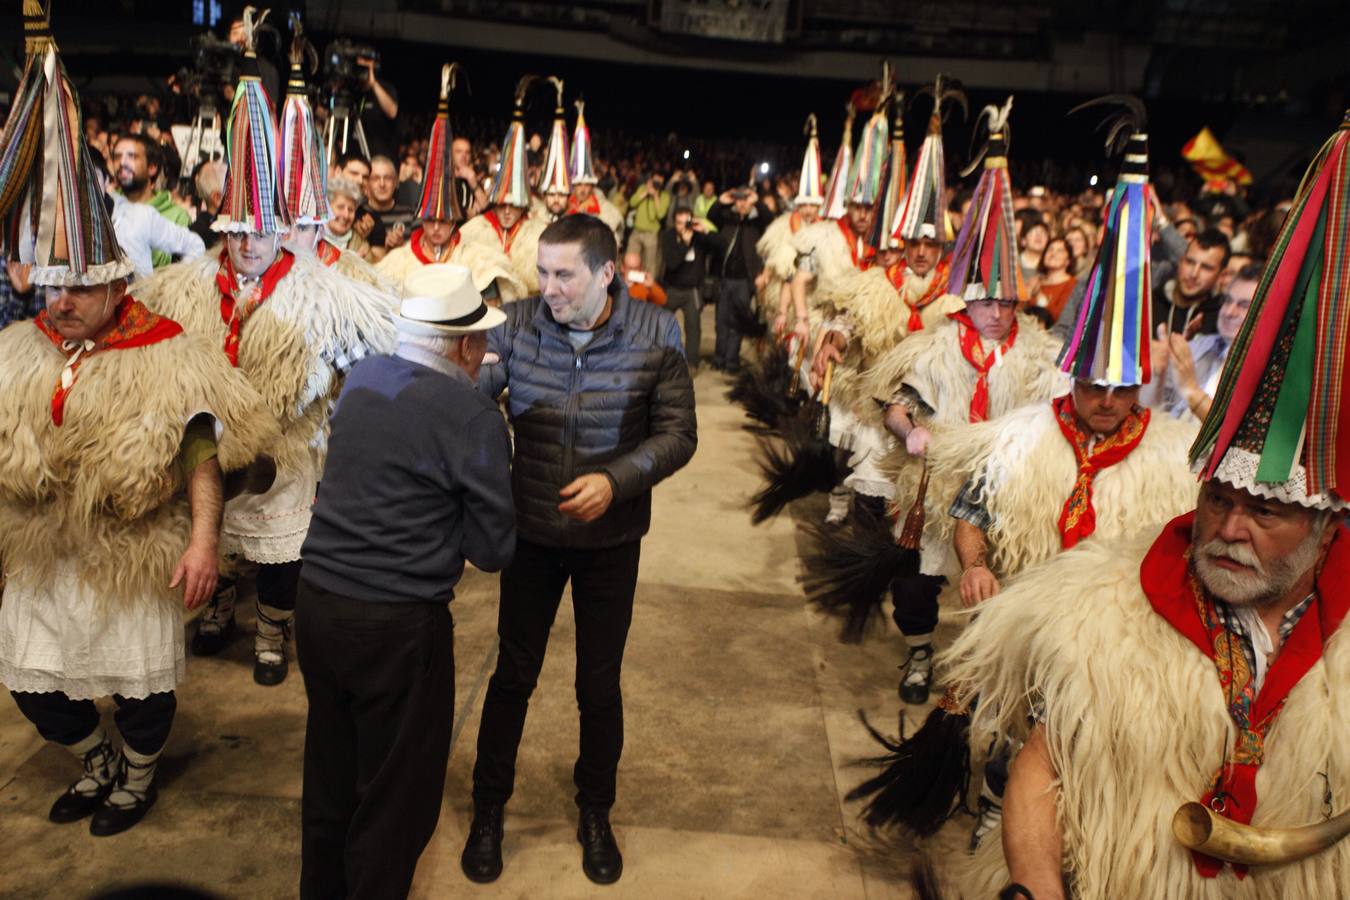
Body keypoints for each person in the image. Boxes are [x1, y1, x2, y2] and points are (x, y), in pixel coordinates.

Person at [941, 118, 1350, 900]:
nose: (1229, 528)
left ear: (1326, 523)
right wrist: (976, 565)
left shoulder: (1165, 450)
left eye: (1264, 514)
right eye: (1219, 501)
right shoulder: (1106, 599)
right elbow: (1047, 763)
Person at [0, 17, 274, 837]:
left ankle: (139, 771)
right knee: (34, 687)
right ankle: (98, 759)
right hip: (46, 550)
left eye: (79, 284)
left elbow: (200, 449)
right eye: (52, 284)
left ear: (119, 281)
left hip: (133, 546)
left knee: (144, 690)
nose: (62, 300)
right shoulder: (19, 348)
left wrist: (201, 542)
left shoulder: (167, 351)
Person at [135, 31, 397, 687]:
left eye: (263, 231)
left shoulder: (326, 292)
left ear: (280, 229)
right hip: (214, 445)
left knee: (281, 556)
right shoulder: (185, 285)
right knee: (214, 533)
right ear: (223, 230)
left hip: (285, 450)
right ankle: (221, 603)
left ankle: (274, 629)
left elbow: (372, 354)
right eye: (238, 231)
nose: (251, 243)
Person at [460, 215, 696, 886]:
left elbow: (679, 434)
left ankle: (596, 811)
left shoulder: (657, 332)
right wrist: (476, 382)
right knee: (513, 675)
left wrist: (616, 481)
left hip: (609, 541)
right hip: (531, 532)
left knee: (598, 684)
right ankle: (487, 810)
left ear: (606, 274)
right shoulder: (517, 323)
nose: (548, 287)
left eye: (565, 274)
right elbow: (472, 400)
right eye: (543, 271)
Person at [296, 264, 515, 899]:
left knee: (331, 777)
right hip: (396, 625)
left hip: (319, 603)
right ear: (469, 346)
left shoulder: (363, 376)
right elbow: (493, 548)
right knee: (396, 800)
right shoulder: (475, 420)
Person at [374, 68, 523, 301]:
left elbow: (492, 307)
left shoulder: (476, 260)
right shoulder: (399, 263)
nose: (435, 228)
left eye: (443, 221)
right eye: (430, 220)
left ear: (454, 221)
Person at [460, 81, 547, 302]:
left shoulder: (539, 234)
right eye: (502, 205)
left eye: (514, 206)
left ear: (523, 206)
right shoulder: (474, 230)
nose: (507, 212)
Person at [1148, 263, 1259, 422]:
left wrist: (1191, 389)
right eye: (1227, 300)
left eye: (1244, 305)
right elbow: (1151, 411)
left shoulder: (1270, 373)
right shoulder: (1198, 346)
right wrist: (1155, 376)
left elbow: (1234, 436)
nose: (1229, 312)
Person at [708, 186, 772, 372]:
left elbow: (769, 218)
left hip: (744, 280)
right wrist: (721, 200)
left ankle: (731, 361)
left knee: (737, 322)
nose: (742, 203)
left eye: (745, 200)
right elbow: (712, 216)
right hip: (725, 278)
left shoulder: (756, 222)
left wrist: (756, 201)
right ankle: (719, 358)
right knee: (721, 322)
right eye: (739, 199)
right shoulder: (728, 218)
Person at [112, 133, 193, 268]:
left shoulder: (177, 217)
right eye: (117, 157)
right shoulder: (104, 208)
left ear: (152, 168)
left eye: (131, 156)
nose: (122, 163)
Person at [659, 205, 713, 366]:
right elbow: (672, 263)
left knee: (693, 328)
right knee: (663, 326)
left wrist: (706, 231)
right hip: (672, 288)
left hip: (692, 290)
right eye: (679, 223)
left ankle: (692, 363)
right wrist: (685, 243)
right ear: (674, 223)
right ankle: (663, 360)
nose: (683, 227)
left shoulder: (699, 236)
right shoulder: (668, 236)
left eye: (686, 222)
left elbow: (721, 245)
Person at [1154, 227, 1230, 336]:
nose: (1194, 274)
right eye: (1190, 262)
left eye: (1206, 267)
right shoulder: (1148, 302)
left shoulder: (1222, 320)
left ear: (1221, 275)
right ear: (1180, 262)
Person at [565, 102, 624, 241]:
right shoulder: (565, 206)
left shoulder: (605, 210)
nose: (583, 189)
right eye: (579, 185)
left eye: (587, 185)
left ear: (592, 186)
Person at [356, 156, 415, 263]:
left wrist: (401, 247)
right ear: (367, 183)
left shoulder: (411, 215)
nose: (382, 184)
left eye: (387, 178)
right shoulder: (358, 215)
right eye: (375, 178)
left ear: (396, 182)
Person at [627, 172, 670, 275]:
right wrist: (646, 192)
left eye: (658, 181)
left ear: (662, 182)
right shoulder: (643, 188)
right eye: (654, 180)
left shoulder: (664, 196)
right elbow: (632, 202)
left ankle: (648, 288)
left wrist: (655, 196)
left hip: (651, 233)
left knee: (649, 264)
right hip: (637, 231)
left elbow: (660, 215)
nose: (656, 183)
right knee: (630, 260)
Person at [1031, 235, 1076, 322]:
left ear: (1068, 261)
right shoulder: (1035, 281)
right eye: (1050, 249)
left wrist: (1039, 297)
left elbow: (1061, 318)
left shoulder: (1073, 285)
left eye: (1060, 251)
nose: (1053, 253)